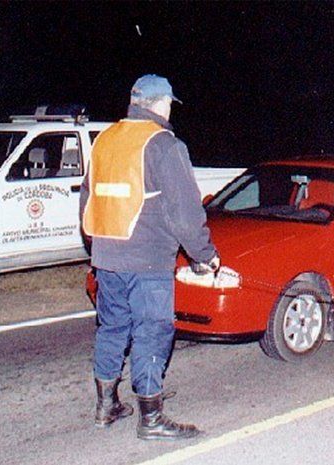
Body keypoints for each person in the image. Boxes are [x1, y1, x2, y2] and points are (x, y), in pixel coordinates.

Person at [80, 74, 220, 440]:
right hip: (148, 261)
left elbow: (87, 199)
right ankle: (152, 418)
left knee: (112, 328)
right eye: (170, 103)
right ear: (161, 104)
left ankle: (106, 406)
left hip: (107, 256)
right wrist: (204, 254)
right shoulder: (164, 144)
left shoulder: (105, 139)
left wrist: (97, 244)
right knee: (152, 332)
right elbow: (185, 211)